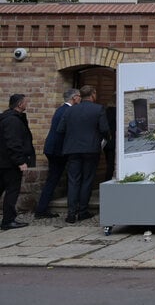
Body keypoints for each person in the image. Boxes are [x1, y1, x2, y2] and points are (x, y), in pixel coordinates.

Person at [57, 85, 109, 223]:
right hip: (91, 149)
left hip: (72, 149)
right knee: (87, 180)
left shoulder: (69, 110)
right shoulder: (98, 109)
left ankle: (71, 214)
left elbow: (60, 129)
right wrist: (104, 139)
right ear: (93, 94)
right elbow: (104, 129)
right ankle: (83, 211)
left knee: (73, 180)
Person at [33, 88, 81, 218]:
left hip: (52, 148)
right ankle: (41, 210)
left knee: (53, 179)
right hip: (58, 150)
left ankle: (41, 208)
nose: (80, 99)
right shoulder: (68, 110)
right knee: (55, 179)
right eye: (79, 97)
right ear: (74, 98)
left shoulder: (60, 109)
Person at [0, 94, 36, 229]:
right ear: (20, 104)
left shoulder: (7, 118)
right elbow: (13, 143)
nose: (27, 104)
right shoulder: (13, 121)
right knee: (12, 191)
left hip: (4, 162)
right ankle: (8, 220)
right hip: (10, 164)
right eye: (26, 102)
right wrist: (20, 161)